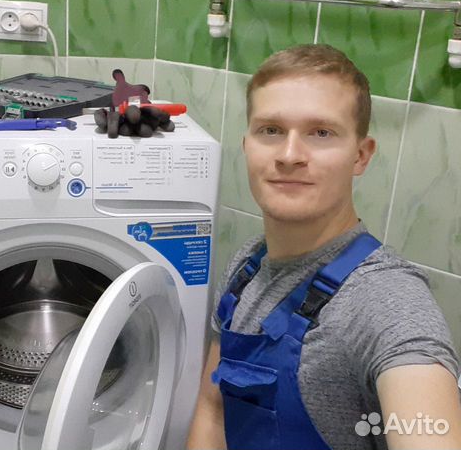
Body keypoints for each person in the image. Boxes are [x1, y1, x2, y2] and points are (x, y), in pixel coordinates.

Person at [187, 44, 461, 450]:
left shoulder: (385, 301)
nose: (289, 155)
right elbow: (213, 410)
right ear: (246, 145)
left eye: (321, 133)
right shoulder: (245, 269)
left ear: (361, 156)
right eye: (271, 130)